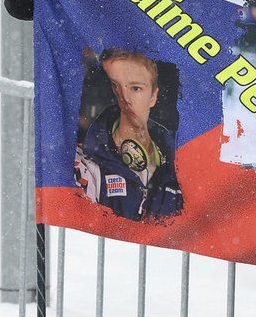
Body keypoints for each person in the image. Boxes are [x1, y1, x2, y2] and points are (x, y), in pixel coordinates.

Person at [74, 48, 183, 221]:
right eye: (117, 86)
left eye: (136, 88)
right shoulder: (85, 162)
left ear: (153, 96)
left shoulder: (182, 166)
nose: (125, 97)